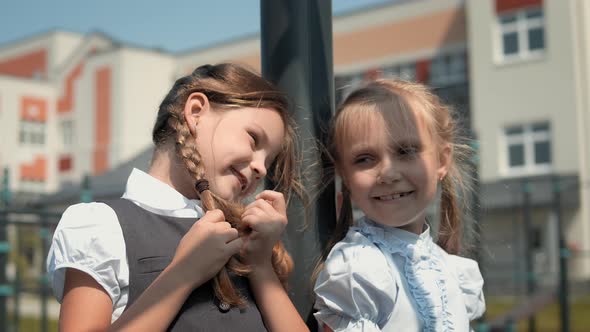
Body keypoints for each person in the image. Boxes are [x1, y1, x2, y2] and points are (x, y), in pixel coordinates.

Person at [47, 63, 310, 331]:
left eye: (269, 160)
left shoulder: (245, 241)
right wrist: (184, 272)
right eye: (254, 140)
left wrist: (260, 264)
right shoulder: (103, 225)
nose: (261, 168)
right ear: (196, 113)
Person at [313, 79, 485, 331]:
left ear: (442, 160)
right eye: (364, 159)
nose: (389, 173)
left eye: (405, 151)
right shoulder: (359, 270)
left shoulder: (453, 271)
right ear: (345, 176)